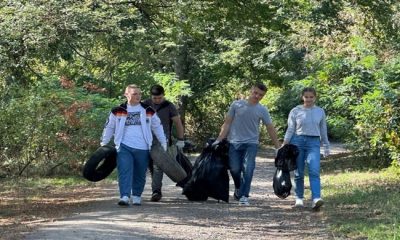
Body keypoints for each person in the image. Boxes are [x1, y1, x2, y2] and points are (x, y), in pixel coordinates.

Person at [214, 82, 280, 206]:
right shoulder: (236, 105)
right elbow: (227, 123)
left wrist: (278, 147)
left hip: (251, 143)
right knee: (235, 169)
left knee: (248, 168)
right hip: (234, 142)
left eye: (260, 95)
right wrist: (219, 140)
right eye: (255, 93)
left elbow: (270, 127)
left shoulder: (262, 109)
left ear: (263, 96)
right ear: (251, 90)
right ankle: (239, 188)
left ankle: (244, 195)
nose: (257, 96)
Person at [100, 84, 167, 206]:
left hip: (143, 147)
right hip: (124, 146)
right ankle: (124, 196)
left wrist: (163, 141)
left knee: (140, 173)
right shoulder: (117, 110)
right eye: (135, 94)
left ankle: (136, 195)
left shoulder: (148, 110)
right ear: (126, 95)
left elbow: (157, 126)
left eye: (139, 94)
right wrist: (104, 143)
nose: (138, 96)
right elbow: (109, 127)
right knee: (124, 170)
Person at [282, 87, 330, 210]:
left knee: (314, 170)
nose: (308, 99)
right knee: (299, 172)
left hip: (313, 142)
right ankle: (299, 199)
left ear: (315, 97)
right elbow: (291, 128)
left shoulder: (320, 111)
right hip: (297, 141)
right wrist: (285, 144)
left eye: (311, 97)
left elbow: (323, 129)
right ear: (302, 97)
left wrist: (326, 146)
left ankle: (316, 199)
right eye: (306, 97)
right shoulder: (295, 111)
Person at [143, 84, 185, 202]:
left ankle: (156, 191)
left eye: (159, 98)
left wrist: (181, 140)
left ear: (163, 96)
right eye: (154, 98)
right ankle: (138, 192)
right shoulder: (145, 104)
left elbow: (178, 123)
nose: (157, 100)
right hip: (145, 139)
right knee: (148, 166)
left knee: (158, 166)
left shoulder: (169, 106)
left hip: (162, 140)